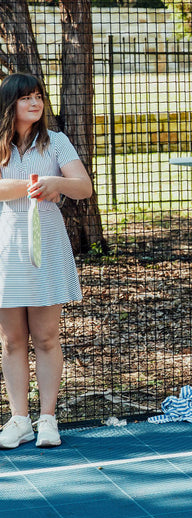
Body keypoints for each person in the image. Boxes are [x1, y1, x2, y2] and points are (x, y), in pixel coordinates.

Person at [0, 72, 92, 449]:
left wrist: (58, 185)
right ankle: (19, 419)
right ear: (10, 105)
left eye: (39, 96)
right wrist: (40, 184)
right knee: (11, 340)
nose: (35, 103)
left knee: (47, 337)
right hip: (6, 249)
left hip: (47, 247)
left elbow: (82, 186)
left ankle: (48, 419)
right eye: (26, 98)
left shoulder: (57, 141)